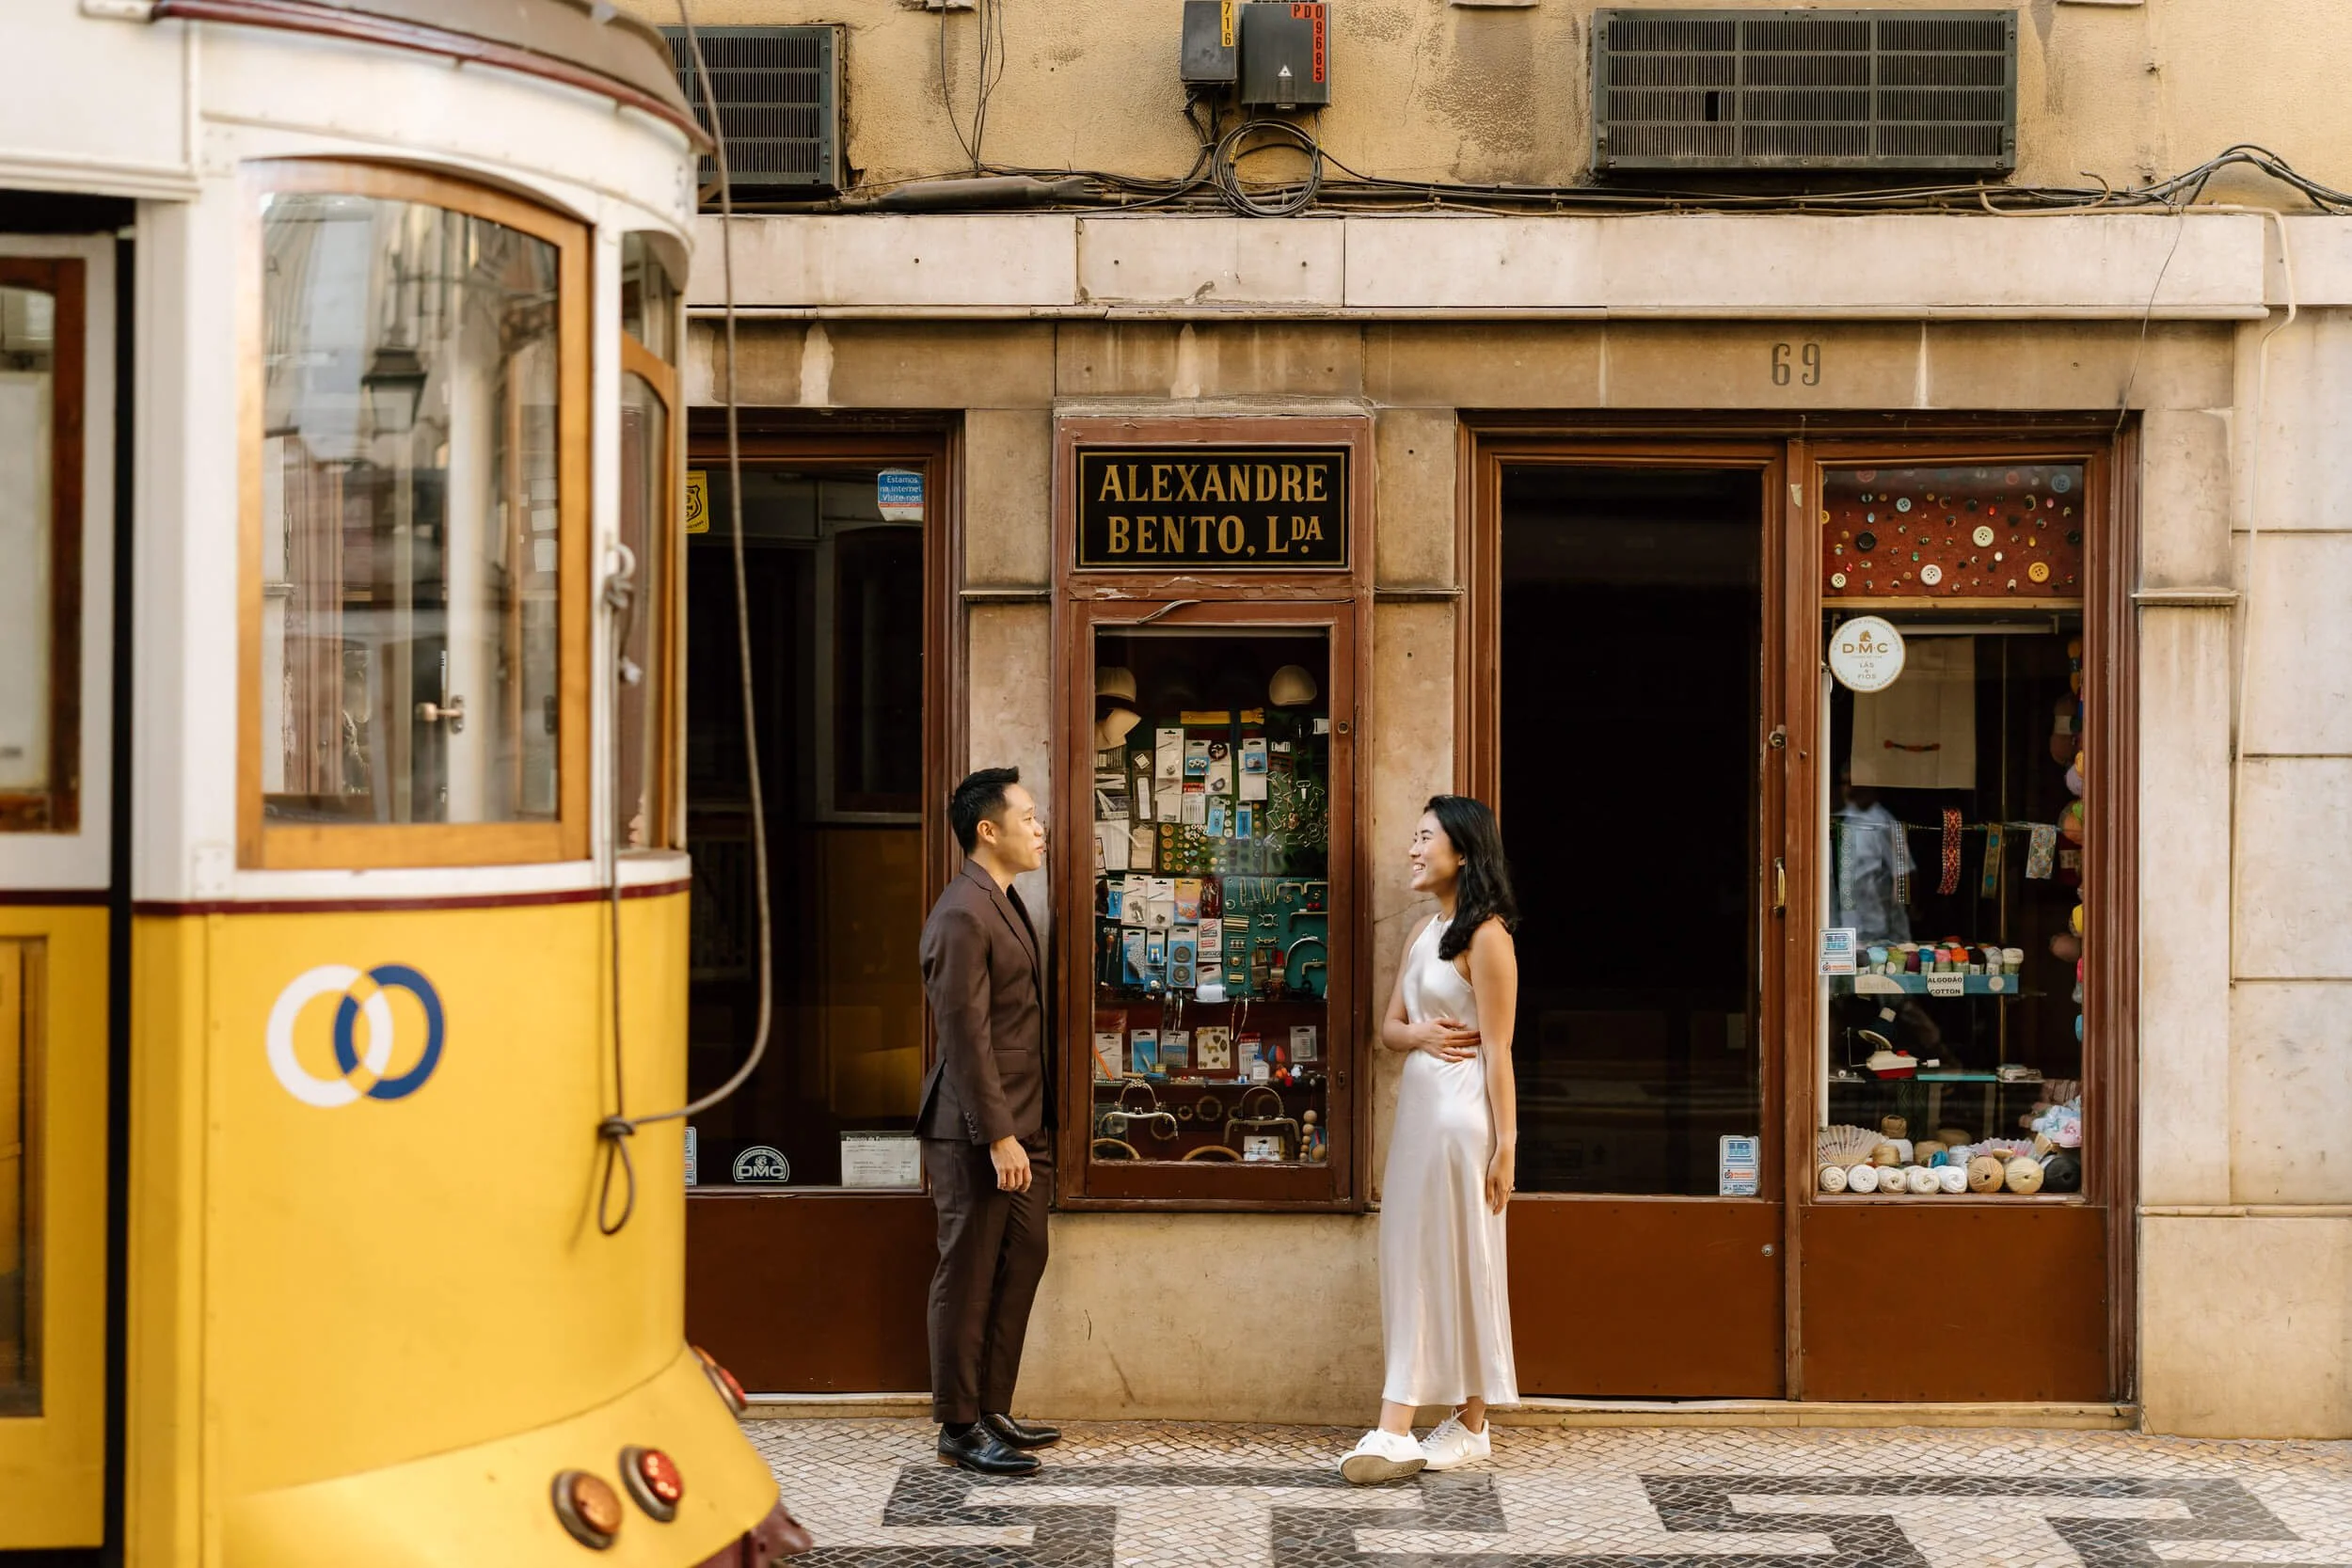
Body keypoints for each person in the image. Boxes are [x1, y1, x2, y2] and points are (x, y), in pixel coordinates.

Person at [1342, 795, 1522, 1484]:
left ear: (1463, 853)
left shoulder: (1489, 938)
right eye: (1413, 837)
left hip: (1461, 1122)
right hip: (1419, 1120)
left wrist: (1507, 1145)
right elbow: (1389, 1029)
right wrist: (1418, 1033)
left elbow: (1499, 1050)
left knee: (1455, 1258)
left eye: (1425, 838)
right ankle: (1469, 1423)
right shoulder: (1425, 931)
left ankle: (1401, 1425)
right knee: (1418, 1256)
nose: (1412, 850)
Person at [916, 767, 1058, 1476]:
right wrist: (999, 1135)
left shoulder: (1002, 899)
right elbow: (966, 1037)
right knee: (967, 1276)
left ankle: (991, 1407)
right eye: (1028, 818)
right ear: (988, 830)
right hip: (976, 1130)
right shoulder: (961, 913)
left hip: (1024, 1123)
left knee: (1023, 1256)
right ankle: (958, 1424)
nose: (1040, 829)